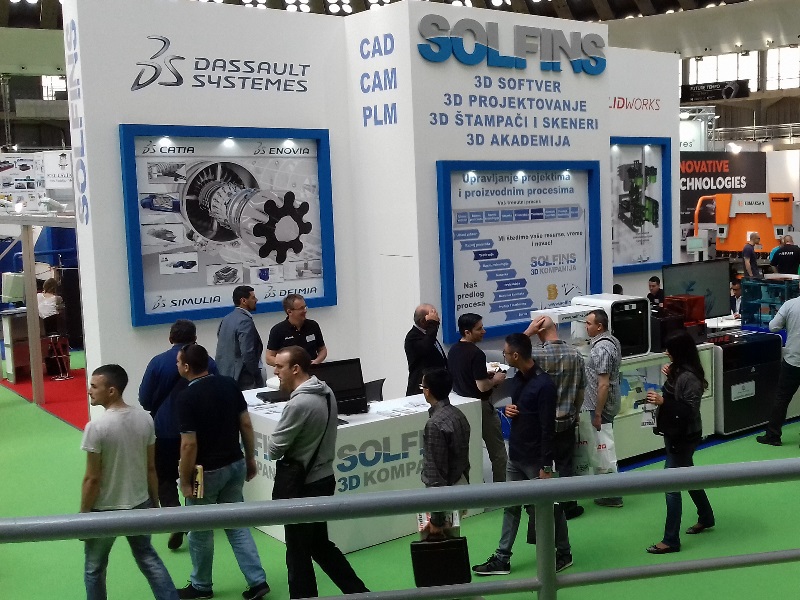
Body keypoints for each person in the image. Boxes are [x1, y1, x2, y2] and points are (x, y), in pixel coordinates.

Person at [269, 346, 369, 599]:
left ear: (295, 369)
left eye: (279, 366)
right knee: (319, 545)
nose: (275, 371)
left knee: (298, 553)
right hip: (324, 479)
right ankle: (359, 593)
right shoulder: (326, 392)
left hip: (302, 487)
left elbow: (273, 449)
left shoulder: (298, 404)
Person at [471, 334, 573, 576]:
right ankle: (502, 558)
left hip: (536, 460)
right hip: (516, 456)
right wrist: (509, 410)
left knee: (549, 509)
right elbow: (520, 411)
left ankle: (564, 552)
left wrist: (546, 466)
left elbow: (548, 428)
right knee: (511, 507)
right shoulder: (517, 380)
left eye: (505, 353)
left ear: (516, 355)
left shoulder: (544, 386)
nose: (504, 357)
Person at [176, 344, 270, 600]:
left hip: (205, 474)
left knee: (200, 531)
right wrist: (250, 458)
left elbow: (189, 445)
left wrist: (185, 480)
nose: (177, 366)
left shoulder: (186, 398)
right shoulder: (229, 384)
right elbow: (246, 424)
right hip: (235, 465)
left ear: (187, 367)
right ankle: (257, 580)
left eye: (179, 362)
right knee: (238, 526)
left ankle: (201, 585)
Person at [80, 364, 179, 600]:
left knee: (94, 569)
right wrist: (154, 502)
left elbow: (92, 478)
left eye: (94, 386)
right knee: (148, 558)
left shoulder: (95, 428)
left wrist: (83, 514)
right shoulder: (145, 419)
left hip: (104, 510)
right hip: (139, 503)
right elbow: (151, 468)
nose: (89, 390)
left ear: (111, 391)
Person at [139, 320, 217, 551]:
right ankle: (197, 515)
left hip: (165, 429)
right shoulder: (207, 361)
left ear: (170, 338)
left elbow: (144, 399)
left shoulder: (157, 362)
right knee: (196, 472)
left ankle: (175, 517)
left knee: (164, 477)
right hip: (199, 429)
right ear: (195, 338)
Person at [645, 330, 715, 554]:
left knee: (671, 486)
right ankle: (706, 517)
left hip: (683, 436)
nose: (666, 352)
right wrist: (671, 376)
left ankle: (671, 540)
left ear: (679, 352)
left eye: (670, 350)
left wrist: (663, 401)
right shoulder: (680, 371)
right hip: (677, 433)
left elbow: (689, 411)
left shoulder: (689, 377)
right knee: (688, 475)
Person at [524, 316, 586, 520]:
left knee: (540, 465)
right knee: (566, 463)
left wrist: (528, 333)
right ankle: (569, 506)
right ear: (556, 327)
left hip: (541, 422)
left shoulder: (536, 354)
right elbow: (581, 390)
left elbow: (512, 354)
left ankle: (543, 508)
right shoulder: (575, 354)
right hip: (566, 419)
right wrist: (576, 413)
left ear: (538, 332)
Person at [447, 313, 507, 483]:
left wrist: (484, 375)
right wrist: (495, 379)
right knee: (498, 453)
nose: (484, 331)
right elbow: (482, 387)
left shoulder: (453, 351)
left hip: (461, 406)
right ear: (467, 332)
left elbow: (464, 376)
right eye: (479, 329)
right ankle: (501, 490)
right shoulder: (477, 354)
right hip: (481, 408)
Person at [420, 367, 471, 535]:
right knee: (454, 540)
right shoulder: (458, 415)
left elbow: (435, 473)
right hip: (461, 486)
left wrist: (436, 518)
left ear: (428, 391)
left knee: (442, 544)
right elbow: (464, 460)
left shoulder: (434, 424)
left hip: (446, 498)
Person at [583, 309, 624, 508]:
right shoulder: (613, 340)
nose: (586, 327)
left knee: (604, 450)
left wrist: (598, 413)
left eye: (588, 324)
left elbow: (603, 384)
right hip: (607, 403)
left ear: (599, 326)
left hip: (602, 406)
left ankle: (612, 494)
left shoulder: (601, 349)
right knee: (604, 448)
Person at [756, 287, 800, 446]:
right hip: (794, 358)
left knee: (782, 398)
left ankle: (773, 435)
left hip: (793, 359)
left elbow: (772, 327)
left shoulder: (790, 305)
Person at [216, 285, 265, 390]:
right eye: (253, 297)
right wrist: (257, 376)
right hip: (243, 377)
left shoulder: (226, 319)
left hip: (226, 375)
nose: (256, 300)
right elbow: (247, 353)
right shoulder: (245, 321)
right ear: (243, 301)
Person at [265, 293, 327, 367]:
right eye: (301, 308)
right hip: (289, 372)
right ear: (289, 312)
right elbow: (269, 357)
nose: (305, 311)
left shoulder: (313, 325)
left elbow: (322, 349)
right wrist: (287, 365)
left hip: (312, 369)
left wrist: (317, 361)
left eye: (305, 307)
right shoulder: (277, 330)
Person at [404, 303, 448, 396]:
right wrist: (433, 325)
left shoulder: (427, 334)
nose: (438, 320)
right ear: (423, 321)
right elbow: (426, 348)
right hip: (421, 389)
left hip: (437, 387)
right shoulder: (412, 337)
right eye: (434, 318)